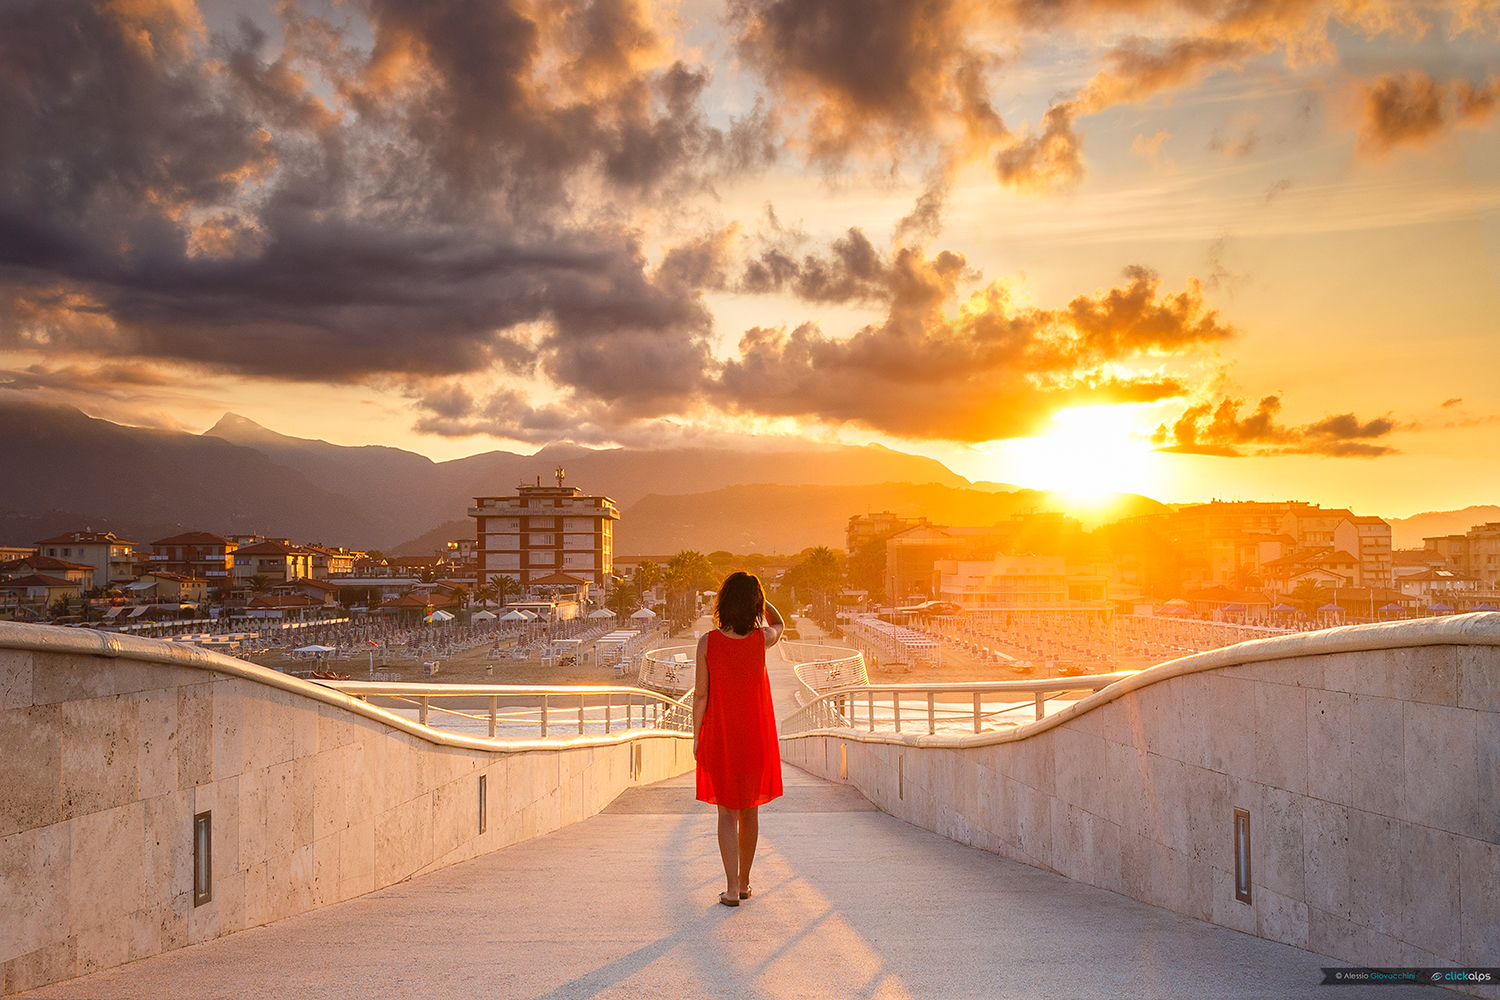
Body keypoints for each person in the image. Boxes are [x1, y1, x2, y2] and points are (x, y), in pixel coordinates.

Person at [693, 571, 785, 907]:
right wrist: (760, 601)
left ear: (722, 603)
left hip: (720, 734)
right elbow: (780, 622)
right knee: (749, 812)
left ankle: (731, 889)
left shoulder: (707, 643)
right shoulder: (762, 640)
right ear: (753, 604)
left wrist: (696, 737)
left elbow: (700, 696)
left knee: (726, 813)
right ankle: (745, 883)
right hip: (755, 735)